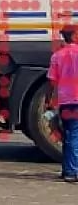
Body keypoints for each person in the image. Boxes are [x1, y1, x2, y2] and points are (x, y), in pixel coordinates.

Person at [49, 25, 78, 183]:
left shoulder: (57, 56)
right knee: (74, 136)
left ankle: (67, 169)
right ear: (73, 36)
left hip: (66, 101)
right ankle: (72, 172)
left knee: (69, 135)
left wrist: (49, 100)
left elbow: (52, 81)